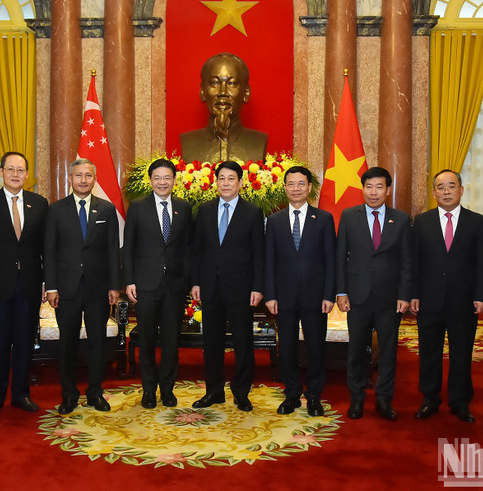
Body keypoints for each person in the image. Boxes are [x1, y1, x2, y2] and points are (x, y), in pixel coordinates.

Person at [0, 152, 48, 417]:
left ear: (27, 174)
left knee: (25, 342)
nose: (16, 174)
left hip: (29, 285)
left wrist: (46, 280)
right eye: (11, 169)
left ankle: (21, 394)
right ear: (1, 171)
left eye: (21, 170)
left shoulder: (39, 203)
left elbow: (45, 247)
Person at [410, 170, 483, 423]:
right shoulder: (422, 221)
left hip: (463, 301)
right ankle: (429, 400)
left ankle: (460, 402)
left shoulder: (477, 222)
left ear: (461, 190)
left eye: (451, 186)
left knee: (461, 354)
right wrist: (414, 294)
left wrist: (482, 295)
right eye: (441, 187)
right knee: (429, 353)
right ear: (434, 193)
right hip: (429, 299)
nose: (446, 191)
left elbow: (482, 262)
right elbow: (414, 262)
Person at [44, 158, 120, 414]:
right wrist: (51, 287)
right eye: (79, 175)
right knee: (68, 342)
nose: (83, 180)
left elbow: (113, 250)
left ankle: (95, 393)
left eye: (88, 175)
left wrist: (115, 285)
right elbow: (50, 251)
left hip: (98, 288)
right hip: (67, 288)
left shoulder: (107, 209)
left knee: (97, 342)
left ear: (94, 179)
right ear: (70, 178)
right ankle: (68, 395)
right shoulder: (56, 210)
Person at [336, 166, 411, 421]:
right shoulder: (349, 216)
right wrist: (341, 292)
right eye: (369, 186)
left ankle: (384, 400)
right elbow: (340, 256)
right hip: (357, 296)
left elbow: (407, 261)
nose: (374, 192)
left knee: (388, 352)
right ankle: (357, 399)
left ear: (388, 190)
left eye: (379, 187)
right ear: (362, 189)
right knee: (356, 350)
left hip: (390, 298)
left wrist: (404, 295)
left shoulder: (401, 219)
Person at [191, 160, 264, 412]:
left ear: (241, 183)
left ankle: (241, 392)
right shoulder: (204, 210)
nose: (225, 183)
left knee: (243, 341)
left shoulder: (252, 212)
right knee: (211, 342)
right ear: (215, 182)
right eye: (221, 178)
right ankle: (214, 391)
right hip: (210, 286)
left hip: (241, 288)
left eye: (231, 178)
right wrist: (195, 281)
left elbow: (259, 253)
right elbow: (197, 250)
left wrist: (258, 286)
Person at [264, 166, 335, 417]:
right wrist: (270, 295)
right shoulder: (274, 221)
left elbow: (331, 260)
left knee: (316, 348)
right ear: (285, 188)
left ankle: (314, 396)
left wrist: (329, 294)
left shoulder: (324, 219)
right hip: (283, 297)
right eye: (291, 184)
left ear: (309, 187)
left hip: (316, 297)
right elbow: (269, 261)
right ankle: (292, 394)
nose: (296, 188)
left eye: (301, 184)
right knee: (287, 348)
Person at [123, 159, 192, 409]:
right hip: (145, 284)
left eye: (167, 178)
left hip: (174, 285)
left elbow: (188, 247)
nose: (162, 182)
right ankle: (149, 391)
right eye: (157, 178)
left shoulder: (184, 207)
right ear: (150, 180)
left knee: (171, 341)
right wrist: (129, 280)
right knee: (147, 340)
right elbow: (128, 247)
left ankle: (168, 390)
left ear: (174, 180)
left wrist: (188, 280)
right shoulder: (138, 206)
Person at [180, 53, 268, 162]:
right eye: (214, 83)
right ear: (202, 92)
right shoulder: (188, 142)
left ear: (246, 92)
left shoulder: (258, 142)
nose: (222, 92)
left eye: (232, 83)